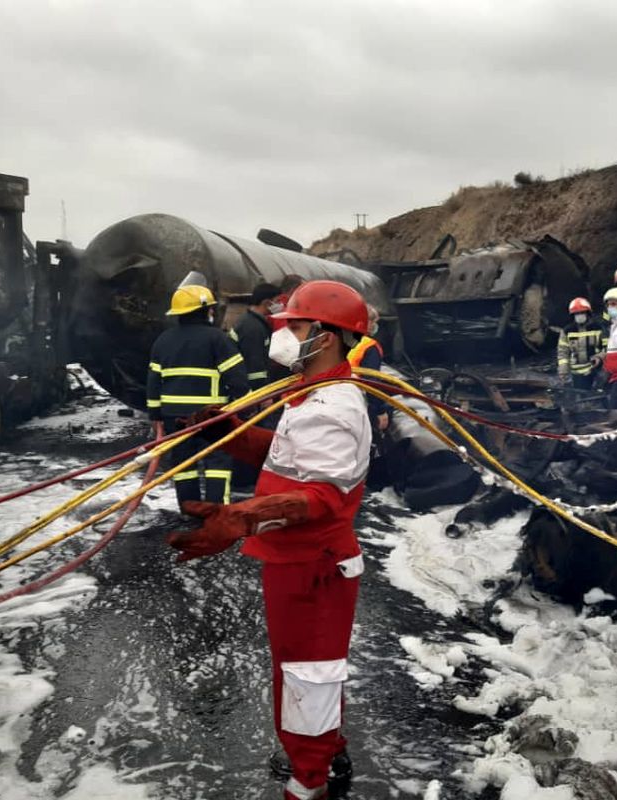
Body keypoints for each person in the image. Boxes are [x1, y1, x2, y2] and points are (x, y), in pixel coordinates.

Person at [167, 280, 373, 800]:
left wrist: (241, 518)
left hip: (316, 567)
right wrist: (227, 434)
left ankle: (308, 782)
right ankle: (326, 749)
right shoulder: (310, 397)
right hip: (294, 563)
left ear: (326, 337)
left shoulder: (334, 405)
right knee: (304, 671)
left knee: (308, 676)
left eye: (295, 326)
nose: (281, 336)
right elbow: (285, 459)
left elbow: (321, 497)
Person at [147, 272, 249, 510]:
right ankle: (215, 512)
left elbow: (153, 383)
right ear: (207, 311)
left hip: (175, 417)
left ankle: (190, 509)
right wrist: (239, 405)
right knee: (217, 462)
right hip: (211, 415)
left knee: (183, 465)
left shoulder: (163, 340)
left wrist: (156, 416)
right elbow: (238, 381)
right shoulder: (218, 339)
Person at [347, 304, 390, 432]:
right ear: (365, 322)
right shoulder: (369, 346)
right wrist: (380, 411)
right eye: (373, 322)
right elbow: (372, 382)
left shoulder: (341, 338)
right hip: (357, 400)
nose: (374, 326)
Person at [231, 283, 279, 391]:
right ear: (266, 303)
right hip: (251, 390)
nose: (279, 305)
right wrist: (262, 392)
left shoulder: (252, 322)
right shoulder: (253, 328)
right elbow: (255, 367)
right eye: (276, 301)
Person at [556, 297, 605, 390]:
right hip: (577, 373)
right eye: (576, 314)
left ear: (588, 313)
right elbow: (563, 352)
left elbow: (607, 348)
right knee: (582, 396)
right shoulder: (567, 331)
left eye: (582, 312)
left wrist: (599, 357)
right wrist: (563, 370)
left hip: (596, 370)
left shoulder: (598, 327)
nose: (579, 315)